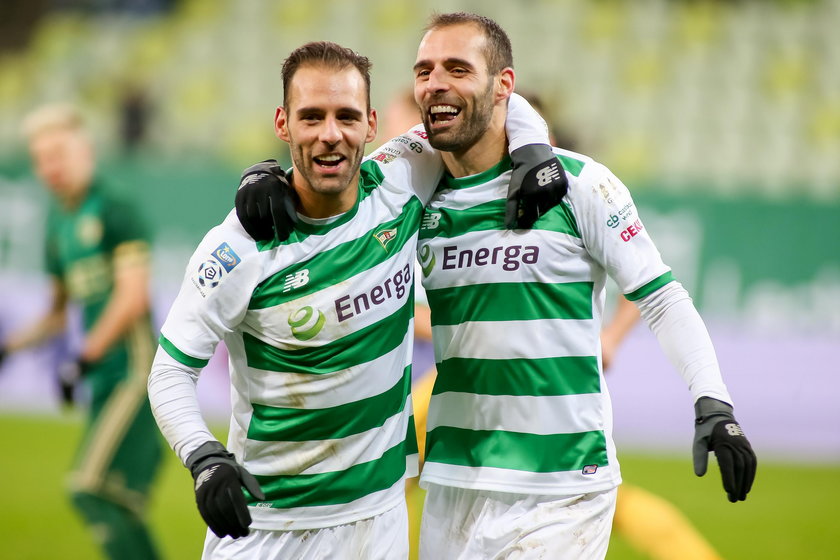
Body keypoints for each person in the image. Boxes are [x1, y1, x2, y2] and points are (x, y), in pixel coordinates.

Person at [236, 12, 757, 560]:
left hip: (561, 488)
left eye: (458, 68)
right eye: (424, 70)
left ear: (503, 84)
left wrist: (712, 401)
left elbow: (661, 297)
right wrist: (265, 174)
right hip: (453, 485)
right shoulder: (414, 188)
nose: (436, 82)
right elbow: (332, 172)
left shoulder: (580, 185)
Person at [147, 41, 564, 559]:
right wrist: (203, 456)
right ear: (283, 123)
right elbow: (168, 372)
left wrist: (532, 148)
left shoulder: (402, 178)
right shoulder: (239, 247)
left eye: (346, 116)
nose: (330, 135)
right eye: (311, 117)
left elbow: (498, 99)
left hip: (377, 525)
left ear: (370, 124)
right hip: (270, 530)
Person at [0, 104, 163, 559]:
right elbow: (56, 314)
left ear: (85, 150)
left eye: (59, 153)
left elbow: (132, 298)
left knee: (87, 487)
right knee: (121, 506)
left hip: (135, 372)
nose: (50, 167)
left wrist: (83, 357)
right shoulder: (59, 225)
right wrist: (9, 347)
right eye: (41, 158)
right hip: (101, 378)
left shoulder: (114, 206)